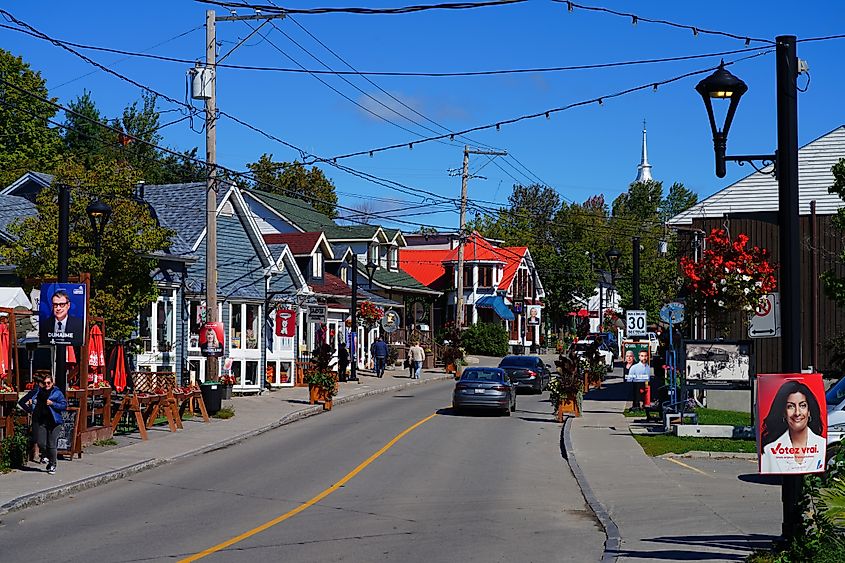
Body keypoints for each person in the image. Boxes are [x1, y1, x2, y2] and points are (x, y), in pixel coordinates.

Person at [760, 380, 826, 474]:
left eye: (802, 406)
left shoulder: (822, 445)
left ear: (809, 411)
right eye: (790, 406)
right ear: (784, 413)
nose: (797, 413)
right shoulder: (769, 450)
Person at [18, 374, 67, 475]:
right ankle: (48, 457)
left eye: (49, 383)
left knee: (51, 444)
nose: (47, 385)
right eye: (45, 383)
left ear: (52, 383)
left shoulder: (57, 393)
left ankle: (52, 465)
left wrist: (53, 404)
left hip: (54, 422)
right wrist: (31, 410)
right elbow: (24, 402)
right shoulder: (38, 392)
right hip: (42, 421)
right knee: (41, 443)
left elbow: (64, 405)